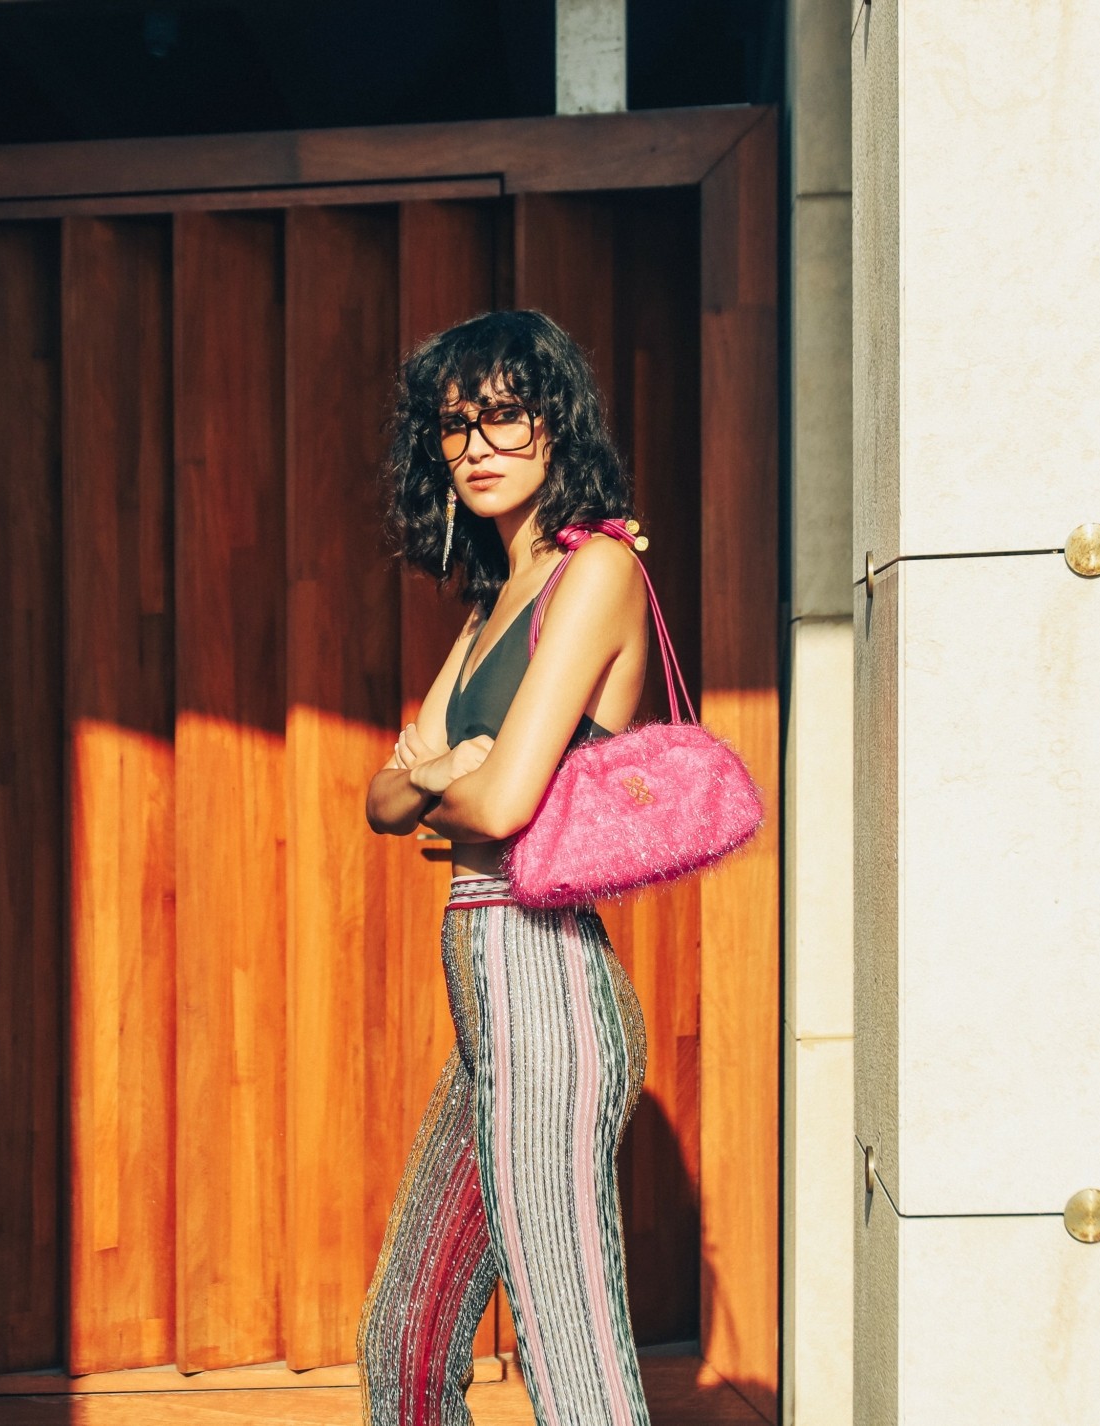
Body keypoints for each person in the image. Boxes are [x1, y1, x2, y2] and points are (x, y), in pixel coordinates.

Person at [358, 310, 654, 1426]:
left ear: (554, 422)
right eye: (454, 426)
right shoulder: (493, 601)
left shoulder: (597, 568)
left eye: (504, 415)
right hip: (490, 1006)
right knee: (404, 1341)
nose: (476, 445)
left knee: (570, 1358)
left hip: (547, 984)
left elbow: (498, 802)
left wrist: (445, 778)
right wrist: (451, 773)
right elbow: (382, 798)